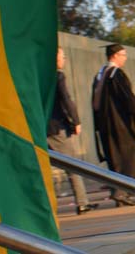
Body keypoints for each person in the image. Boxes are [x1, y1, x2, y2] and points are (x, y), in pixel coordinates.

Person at [92, 43, 135, 206]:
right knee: (127, 158)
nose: (125, 58)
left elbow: (95, 104)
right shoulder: (116, 74)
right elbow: (128, 99)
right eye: (123, 55)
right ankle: (121, 193)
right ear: (115, 55)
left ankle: (118, 194)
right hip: (120, 124)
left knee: (113, 158)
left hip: (104, 125)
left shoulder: (100, 75)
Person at [48, 47, 98, 215]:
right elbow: (66, 99)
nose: (64, 59)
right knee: (73, 166)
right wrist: (76, 121)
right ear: (55, 58)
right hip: (56, 128)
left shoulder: (38, 78)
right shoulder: (57, 76)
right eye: (62, 56)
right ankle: (82, 203)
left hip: (40, 128)